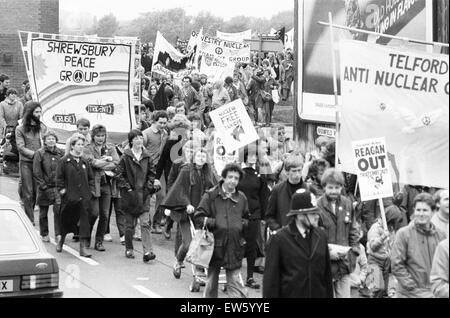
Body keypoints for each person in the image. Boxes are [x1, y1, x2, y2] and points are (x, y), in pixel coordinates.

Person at [263, 189, 333, 298]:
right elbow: (271, 283)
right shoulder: (279, 239)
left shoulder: (321, 236)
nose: (317, 216)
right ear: (299, 215)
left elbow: (327, 277)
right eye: (312, 213)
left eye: (317, 212)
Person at [194, 163, 249, 298]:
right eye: (230, 177)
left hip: (235, 246)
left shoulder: (242, 198)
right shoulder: (211, 195)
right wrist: (215, 223)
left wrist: (241, 225)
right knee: (212, 282)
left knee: (235, 283)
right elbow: (198, 217)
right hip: (214, 246)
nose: (233, 181)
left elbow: (246, 218)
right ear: (223, 177)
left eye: (236, 178)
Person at [162, 148, 217, 279]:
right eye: (199, 155)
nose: (201, 158)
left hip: (201, 213)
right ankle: (178, 260)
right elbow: (180, 188)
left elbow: (214, 188)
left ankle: (199, 270)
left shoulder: (209, 172)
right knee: (188, 242)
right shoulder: (186, 170)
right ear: (194, 157)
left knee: (201, 241)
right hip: (185, 212)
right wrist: (187, 204)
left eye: (204, 156)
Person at [391, 193, 446, 298]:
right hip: (409, 293)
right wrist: (412, 287)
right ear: (414, 211)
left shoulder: (441, 235)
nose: (421, 214)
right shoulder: (403, 234)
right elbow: (397, 265)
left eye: (425, 210)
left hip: (435, 292)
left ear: (433, 212)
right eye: (418, 210)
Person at [316, 168, 360, 298]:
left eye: (337, 187)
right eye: (330, 187)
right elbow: (315, 237)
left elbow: (353, 230)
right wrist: (327, 253)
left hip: (343, 266)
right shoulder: (317, 206)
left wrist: (354, 252)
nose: (334, 191)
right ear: (324, 187)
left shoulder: (347, 203)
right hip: (324, 267)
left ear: (341, 187)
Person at [116, 129, 158, 262]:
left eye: (141, 137)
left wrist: (148, 188)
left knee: (145, 223)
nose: (139, 140)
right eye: (136, 138)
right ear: (131, 141)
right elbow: (119, 175)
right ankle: (129, 248)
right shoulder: (125, 157)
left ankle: (148, 252)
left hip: (144, 194)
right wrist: (128, 189)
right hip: (129, 196)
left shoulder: (147, 156)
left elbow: (152, 173)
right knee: (130, 225)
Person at [56, 134, 94, 257]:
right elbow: (59, 179)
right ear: (72, 146)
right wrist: (63, 192)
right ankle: (61, 241)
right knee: (65, 221)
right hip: (69, 198)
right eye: (78, 144)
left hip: (83, 198)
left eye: (82, 144)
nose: (81, 147)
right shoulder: (64, 161)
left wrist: (91, 192)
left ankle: (83, 248)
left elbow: (91, 178)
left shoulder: (85, 161)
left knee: (84, 222)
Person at [237, 146, 270, 289]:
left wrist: (264, 216)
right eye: (250, 155)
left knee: (251, 246)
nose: (252, 158)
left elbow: (264, 197)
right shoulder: (238, 173)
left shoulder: (260, 176)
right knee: (236, 245)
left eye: (254, 156)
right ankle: (234, 276)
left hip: (254, 215)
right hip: (238, 214)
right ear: (244, 157)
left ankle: (250, 277)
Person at [84, 125, 120, 251]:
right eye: (98, 136)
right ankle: (86, 238)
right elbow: (93, 163)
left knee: (105, 215)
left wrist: (102, 163)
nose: (100, 138)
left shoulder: (110, 147)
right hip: (93, 184)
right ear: (93, 136)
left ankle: (99, 241)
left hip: (107, 184)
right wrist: (106, 161)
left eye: (102, 135)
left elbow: (116, 163)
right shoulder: (87, 148)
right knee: (93, 213)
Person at [15, 102, 47, 224]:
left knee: (35, 194)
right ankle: (29, 220)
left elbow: (46, 142)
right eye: (36, 112)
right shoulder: (20, 129)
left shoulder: (42, 128)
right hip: (26, 163)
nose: (39, 114)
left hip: (38, 164)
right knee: (28, 193)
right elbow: (21, 147)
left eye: (40, 112)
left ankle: (28, 215)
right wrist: (36, 155)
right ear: (30, 112)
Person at [33, 130, 64, 243]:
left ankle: (58, 234)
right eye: (48, 139)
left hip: (57, 188)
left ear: (56, 140)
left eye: (53, 138)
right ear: (45, 141)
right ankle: (44, 233)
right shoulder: (39, 153)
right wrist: (43, 186)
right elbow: (36, 172)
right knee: (43, 213)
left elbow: (63, 170)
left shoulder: (60, 153)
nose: (51, 141)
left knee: (58, 211)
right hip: (44, 188)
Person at [265, 155, 309, 232]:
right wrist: (278, 229)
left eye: (299, 170)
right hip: (284, 235)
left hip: (303, 235)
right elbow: (269, 216)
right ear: (287, 172)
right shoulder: (277, 190)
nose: (297, 174)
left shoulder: (308, 189)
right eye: (294, 171)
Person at [366, 205, 403, 298]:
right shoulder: (375, 227)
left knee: (384, 292)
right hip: (375, 260)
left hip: (386, 262)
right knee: (377, 288)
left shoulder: (390, 229)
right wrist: (382, 237)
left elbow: (392, 245)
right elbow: (373, 246)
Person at [143, 111, 168, 234]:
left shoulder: (165, 133)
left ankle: (156, 222)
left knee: (162, 195)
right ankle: (146, 223)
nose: (163, 125)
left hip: (160, 168)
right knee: (148, 196)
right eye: (160, 122)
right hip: (148, 168)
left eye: (165, 122)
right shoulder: (146, 133)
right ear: (154, 121)